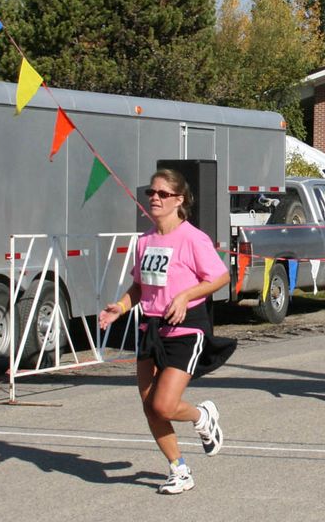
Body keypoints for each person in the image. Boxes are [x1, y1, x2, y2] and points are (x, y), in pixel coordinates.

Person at [99, 168, 236, 495]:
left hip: (186, 328)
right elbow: (138, 287)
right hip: (151, 328)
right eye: (151, 193)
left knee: (163, 404)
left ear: (180, 200)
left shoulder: (192, 238)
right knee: (150, 406)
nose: (154, 198)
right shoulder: (144, 241)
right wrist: (118, 307)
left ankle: (202, 416)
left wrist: (186, 295)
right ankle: (179, 470)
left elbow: (220, 277)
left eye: (162, 193)